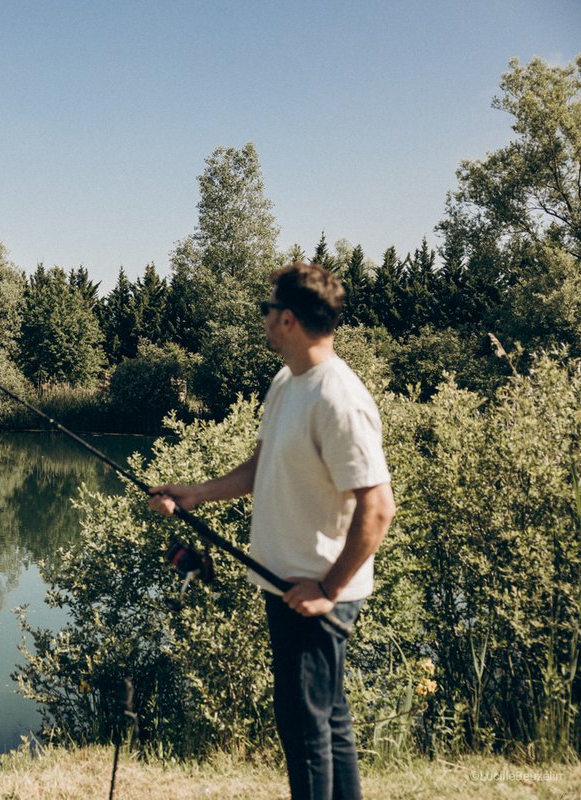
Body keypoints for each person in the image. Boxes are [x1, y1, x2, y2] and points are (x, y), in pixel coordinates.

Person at [148, 262, 395, 800]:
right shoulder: (287, 382)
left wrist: (328, 588)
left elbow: (378, 507)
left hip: (314, 594)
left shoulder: (338, 398)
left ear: (287, 319)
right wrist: (197, 493)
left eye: (267, 309)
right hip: (288, 585)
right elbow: (261, 468)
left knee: (304, 728)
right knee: (328, 718)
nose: (262, 318)